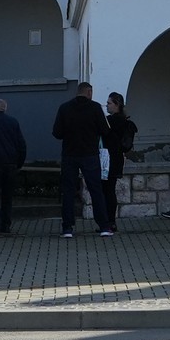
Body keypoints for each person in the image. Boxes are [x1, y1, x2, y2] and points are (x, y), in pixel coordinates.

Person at [52, 82, 113, 238]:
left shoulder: (64, 108)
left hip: (69, 155)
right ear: (89, 92)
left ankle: (67, 228)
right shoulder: (95, 108)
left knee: (69, 191)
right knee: (96, 190)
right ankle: (104, 226)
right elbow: (105, 130)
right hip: (90, 155)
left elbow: (57, 133)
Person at [0, 98, 27, 237]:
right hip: (11, 164)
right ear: (5, 108)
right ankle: (6, 225)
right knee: (7, 196)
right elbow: (21, 144)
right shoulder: (13, 122)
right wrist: (18, 163)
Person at [104, 93, 137, 233]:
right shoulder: (124, 121)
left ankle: (108, 222)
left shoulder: (110, 121)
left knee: (107, 190)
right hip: (117, 158)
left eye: (109, 103)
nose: (107, 105)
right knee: (110, 189)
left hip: (107, 158)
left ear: (117, 104)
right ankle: (111, 222)